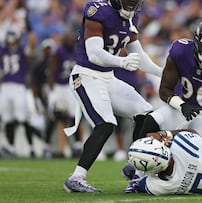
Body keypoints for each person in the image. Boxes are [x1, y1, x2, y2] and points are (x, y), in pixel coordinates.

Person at [63, 0, 162, 193]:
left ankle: (134, 168)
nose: (131, 6)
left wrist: (161, 72)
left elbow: (139, 55)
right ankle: (76, 177)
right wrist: (122, 62)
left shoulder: (131, 17)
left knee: (147, 115)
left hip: (108, 78)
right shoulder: (98, 11)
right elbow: (94, 53)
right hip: (86, 75)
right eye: (128, 2)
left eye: (135, 2)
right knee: (106, 124)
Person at [138, 18, 202, 149]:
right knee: (149, 121)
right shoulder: (180, 51)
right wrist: (181, 105)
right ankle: (137, 163)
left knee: (194, 147)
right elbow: (165, 89)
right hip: (181, 107)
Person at [0, 28, 36, 158]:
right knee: (8, 119)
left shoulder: (22, 51)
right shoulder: (3, 50)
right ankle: (10, 147)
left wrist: (29, 29)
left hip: (19, 87)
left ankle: (31, 148)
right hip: (5, 86)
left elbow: (32, 45)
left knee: (23, 118)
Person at [47, 30, 84, 159]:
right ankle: (62, 148)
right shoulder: (58, 51)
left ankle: (78, 145)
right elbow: (52, 69)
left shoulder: (77, 50)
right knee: (60, 116)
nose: (69, 41)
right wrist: (52, 90)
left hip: (72, 86)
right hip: (59, 86)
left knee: (75, 116)